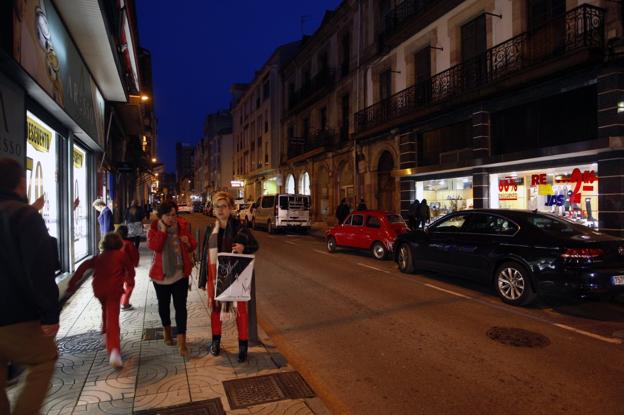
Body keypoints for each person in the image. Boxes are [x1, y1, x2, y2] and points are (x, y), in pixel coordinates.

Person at [0, 158, 60, 415]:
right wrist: (50, 314)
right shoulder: (24, 216)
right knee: (44, 359)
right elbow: (39, 267)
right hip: (16, 317)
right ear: (21, 184)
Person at [198, 191, 258, 363]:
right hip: (215, 276)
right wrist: (203, 280)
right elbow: (204, 256)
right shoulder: (211, 229)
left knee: (241, 312)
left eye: (224, 206)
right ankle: (215, 342)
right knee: (215, 310)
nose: (220, 210)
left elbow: (255, 245)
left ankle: (243, 346)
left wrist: (243, 247)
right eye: (217, 206)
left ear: (231, 208)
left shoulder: (240, 227)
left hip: (236, 276)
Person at [68, 232, 134, 368]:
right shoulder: (121, 255)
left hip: (99, 290)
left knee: (106, 310)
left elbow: (83, 267)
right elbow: (130, 270)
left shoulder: (99, 257)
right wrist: (129, 280)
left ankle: (105, 332)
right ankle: (114, 350)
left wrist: (72, 283)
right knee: (113, 319)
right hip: (114, 290)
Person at [147, 201, 197, 357]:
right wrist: (162, 232)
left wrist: (188, 243)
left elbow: (193, 244)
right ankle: (167, 332)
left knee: (181, 307)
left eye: (174, 214)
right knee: (164, 306)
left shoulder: (181, 226)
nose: (171, 218)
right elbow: (155, 246)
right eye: (167, 215)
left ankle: (182, 342)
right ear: (160, 216)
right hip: (161, 277)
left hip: (180, 274)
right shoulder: (154, 229)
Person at [117, 225, 139, 311]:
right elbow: (135, 255)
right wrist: (135, 264)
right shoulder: (128, 244)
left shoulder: (114, 243)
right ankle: (124, 303)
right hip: (126, 269)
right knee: (130, 285)